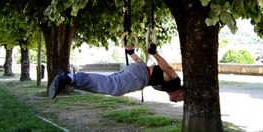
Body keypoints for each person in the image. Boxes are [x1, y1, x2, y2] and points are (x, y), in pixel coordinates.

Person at [49, 43, 186, 102]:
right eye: (181, 99)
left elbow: (143, 65)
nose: (177, 101)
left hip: (139, 71)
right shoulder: (174, 83)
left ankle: (70, 80)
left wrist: (131, 54)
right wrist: (154, 53)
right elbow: (168, 68)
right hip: (139, 76)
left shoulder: (167, 87)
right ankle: (69, 77)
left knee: (107, 87)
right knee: (112, 87)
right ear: (179, 93)